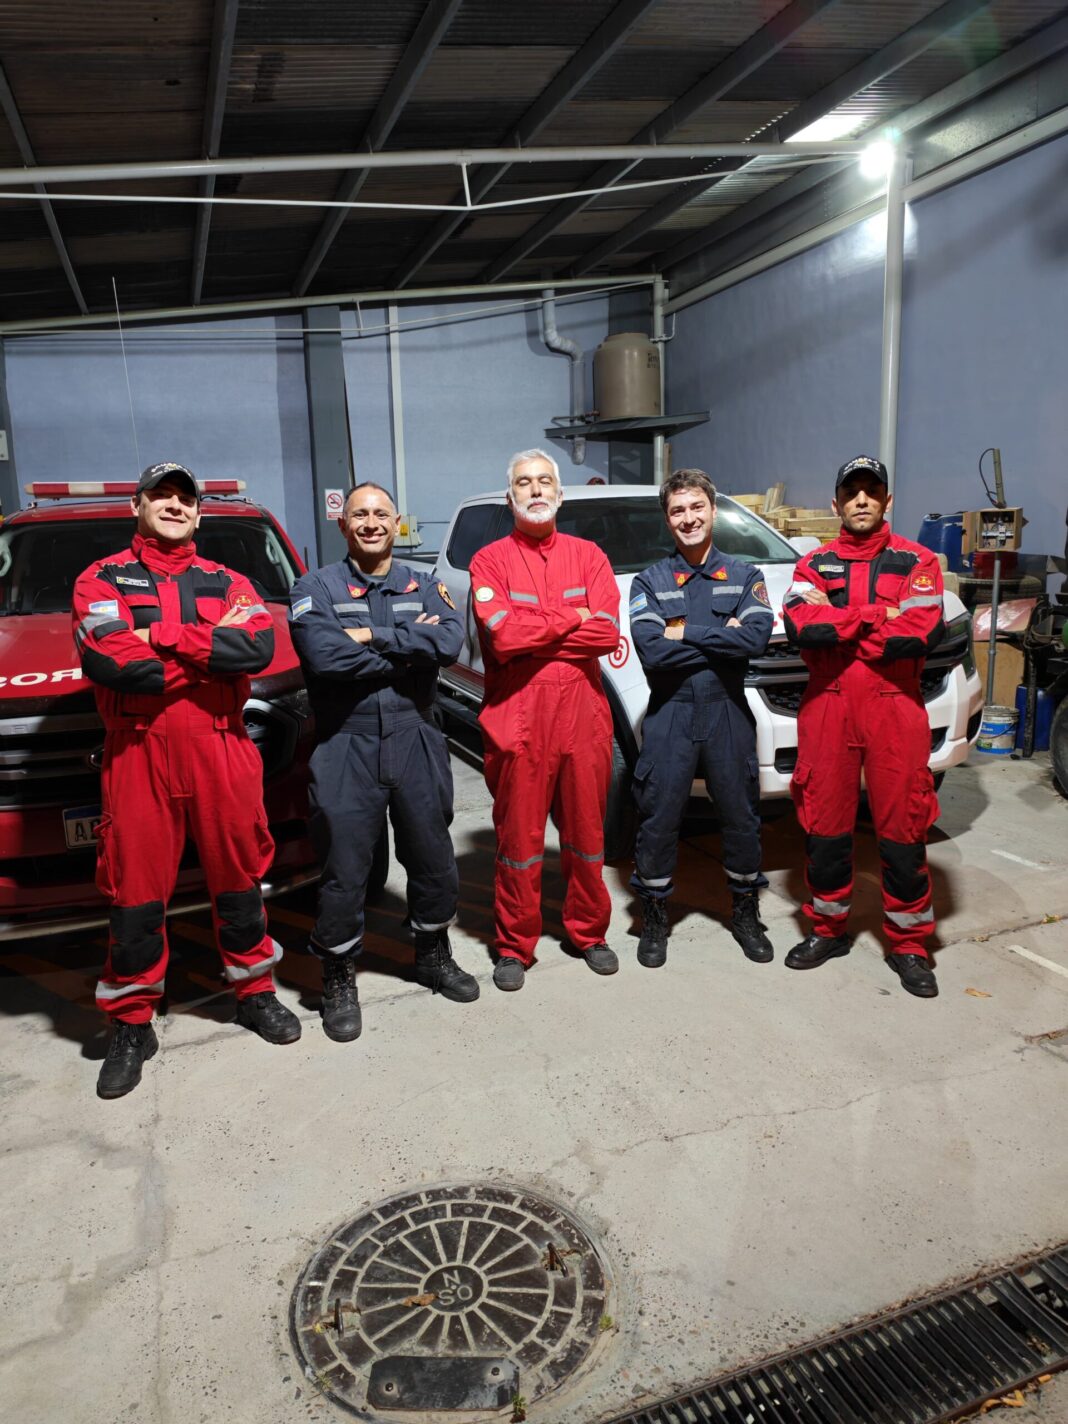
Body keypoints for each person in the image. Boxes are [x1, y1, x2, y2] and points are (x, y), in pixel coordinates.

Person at [73, 461, 299, 1100]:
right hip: (138, 752)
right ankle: (131, 1021)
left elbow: (255, 650)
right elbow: (116, 664)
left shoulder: (230, 580)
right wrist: (205, 658)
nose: (175, 505)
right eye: (162, 496)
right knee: (135, 892)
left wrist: (160, 635)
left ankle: (254, 993)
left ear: (199, 513)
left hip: (222, 748)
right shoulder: (99, 579)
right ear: (138, 506)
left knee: (240, 879)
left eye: (185, 499)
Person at [288, 483, 478, 1041]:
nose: (371, 523)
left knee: (432, 852)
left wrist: (370, 634)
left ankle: (432, 953)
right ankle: (339, 974)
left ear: (397, 522)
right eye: (359, 515)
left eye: (380, 514)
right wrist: (404, 644)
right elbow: (323, 657)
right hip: (346, 740)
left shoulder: (427, 583)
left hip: (415, 732)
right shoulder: (314, 586)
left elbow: (447, 645)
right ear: (343, 525)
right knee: (345, 867)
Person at [782, 455, 945, 998]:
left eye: (871, 491)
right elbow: (804, 629)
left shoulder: (920, 561)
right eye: (851, 492)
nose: (860, 500)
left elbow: (916, 635)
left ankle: (909, 943)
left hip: (894, 706)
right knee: (825, 825)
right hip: (827, 705)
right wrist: (879, 615)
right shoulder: (812, 566)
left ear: (887, 500)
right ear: (836, 503)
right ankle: (828, 929)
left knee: (903, 827)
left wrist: (843, 622)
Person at [469, 449, 621, 991]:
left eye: (544, 481)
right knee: (519, 840)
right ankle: (515, 946)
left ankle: (589, 932)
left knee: (586, 835)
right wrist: (572, 618)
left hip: (583, 717)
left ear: (559, 491)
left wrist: (538, 629)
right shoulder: (488, 561)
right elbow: (503, 636)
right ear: (510, 495)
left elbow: (606, 633)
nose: (535, 490)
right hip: (519, 720)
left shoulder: (590, 556)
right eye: (523, 483)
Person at [628, 469, 775, 968]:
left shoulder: (745, 576)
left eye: (696, 508)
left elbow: (753, 641)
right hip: (669, 713)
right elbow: (651, 652)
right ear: (667, 519)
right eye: (677, 511)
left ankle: (746, 913)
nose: (688, 518)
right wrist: (719, 635)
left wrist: (681, 632)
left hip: (728, 712)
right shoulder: (649, 580)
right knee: (658, 819)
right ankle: (653, 917)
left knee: (741, 818)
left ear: (712, 511)